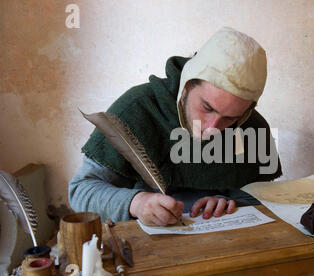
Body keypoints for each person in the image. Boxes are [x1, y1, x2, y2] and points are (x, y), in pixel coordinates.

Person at [69, 27, 282, 225]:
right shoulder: (137, 108)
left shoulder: (253, 127)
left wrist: (232, 202)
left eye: (230, 118)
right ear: (187, 85)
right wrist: (136, 202)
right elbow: (80, 191)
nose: (211, 128)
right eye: (207, 107)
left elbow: (267, 196)